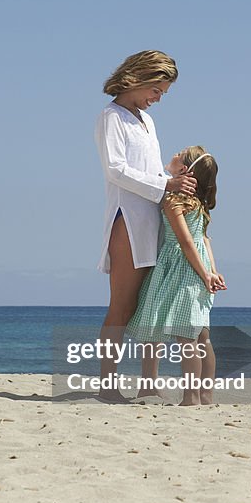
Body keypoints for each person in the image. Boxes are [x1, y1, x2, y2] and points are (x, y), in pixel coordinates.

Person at [95, 50, 197, 402]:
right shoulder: (111, 117)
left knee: (146, 304)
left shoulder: (146, 122)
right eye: (157, 90)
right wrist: (165, 186)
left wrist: (173, 185)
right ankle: (107, 387)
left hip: (153, 219)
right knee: (121, 305)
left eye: (163, 93)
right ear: (139, 78)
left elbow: (151, 170)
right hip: (127, 218)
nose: (158, 99)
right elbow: (116, 170)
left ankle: (146, 384)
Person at [125, 146, 227, 405]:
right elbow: (204, 241)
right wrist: (213, 272)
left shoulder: (174, 201)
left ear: (184, 170)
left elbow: (186, 242)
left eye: (179, 154)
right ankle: (205, 395)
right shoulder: (200, 203)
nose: (174, 154)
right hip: (197, 268)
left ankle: (191, 397)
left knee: (186, 335)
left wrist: (206, 274)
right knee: (201, 335)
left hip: (180, 268)